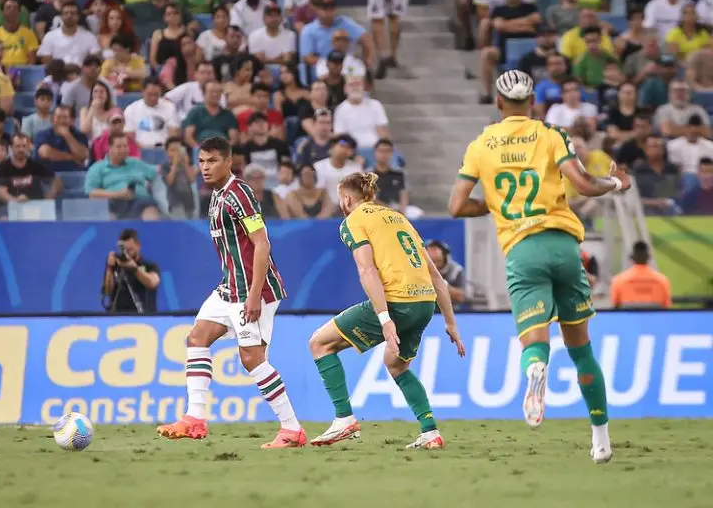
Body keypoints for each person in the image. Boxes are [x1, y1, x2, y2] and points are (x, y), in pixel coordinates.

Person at [448, 70, 632, 464]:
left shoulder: (480, 145)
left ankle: (536, 372)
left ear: (498, 102)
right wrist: (617, 184)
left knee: (534, 343)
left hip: (522, 250)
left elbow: (457, 205)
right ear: (532, 103)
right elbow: (583, 184)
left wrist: (493, 205)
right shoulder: (551, 134)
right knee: (582, 349)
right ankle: (600, 440)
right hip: (563, 245)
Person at [156, 136, 307, 449]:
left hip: (253, 289)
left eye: (212, 161)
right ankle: (195, 419)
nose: (206, 168)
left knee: (252, 359)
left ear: (228, 162)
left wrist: (253, 295)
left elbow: (262, 243)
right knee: (197, 338)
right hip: (228, 287)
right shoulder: (216, 195)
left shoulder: (240, 193)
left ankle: (292, 429)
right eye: (201, 161)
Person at [308, 172, 465, 448]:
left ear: (346, 199)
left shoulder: (353, 220)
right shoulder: (398, 218)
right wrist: (451, 322)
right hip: (425, 303)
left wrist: (384, 319)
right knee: (396, 364)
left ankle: (343, 419)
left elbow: (367, 269)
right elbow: (436, 276)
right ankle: (430, 432)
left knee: (320, 344)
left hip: (397, 301)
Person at [103, 228, 161, 313]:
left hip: (143, 318)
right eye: (124, 250)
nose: (127, 253)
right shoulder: (116, 266)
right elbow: (107, 291)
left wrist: (134, 269)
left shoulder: (149, 266)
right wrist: (109, 268)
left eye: (130, 250)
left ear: (138, 246)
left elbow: (153, 283)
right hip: (118, 318)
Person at [610, 241, 672, 309]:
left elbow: (615, 307)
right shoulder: (662, 281)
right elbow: (666, 308)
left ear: (632, 257)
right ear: (649, 257)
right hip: (654, 319)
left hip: (629, 319)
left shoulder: (618, 280)